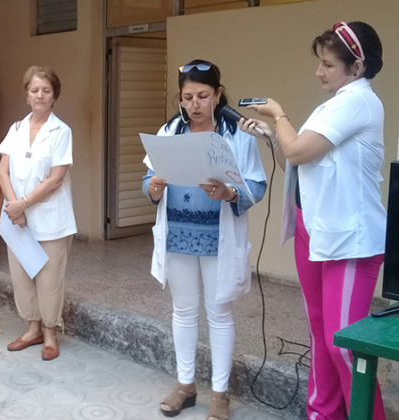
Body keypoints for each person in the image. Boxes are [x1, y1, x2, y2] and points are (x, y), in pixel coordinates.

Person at [239, 21, 386, 419]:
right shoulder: (334, 102)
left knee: (345, 343)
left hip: (349, 241)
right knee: (320, 336)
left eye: (328, 65)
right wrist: (272, 135)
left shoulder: (357, 101)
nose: (319, 72)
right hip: (316, 231)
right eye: (319, 63)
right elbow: (300, 166)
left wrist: (279, 113)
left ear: (357, 67)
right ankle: (323, 412)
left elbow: (300, 151)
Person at [143, 59, 266, 419]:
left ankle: (220, 393)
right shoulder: (168, 133)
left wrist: (230, 194)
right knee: (183, 311)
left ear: (218, 95)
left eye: (202, 96)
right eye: (187, 97)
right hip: (178, 234)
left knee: (220, 312)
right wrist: (151, 186)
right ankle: (185, 385)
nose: (194, 104)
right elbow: (148, 181)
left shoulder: (238, 135)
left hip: (218, 237)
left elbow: (256, 185)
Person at [0, 65, 76, 362]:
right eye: (34, 90)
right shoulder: (15, 129)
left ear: (54, 96)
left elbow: (56, 178)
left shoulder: (61, 131)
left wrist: (22, 204)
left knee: (49, 277)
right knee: (22, 275)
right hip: (17, 217)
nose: (39, 95)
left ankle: (50, 333)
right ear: (26, 95)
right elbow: (3, 171)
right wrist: (14, 206)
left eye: (45, 90)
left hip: (51, 219)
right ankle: (32, 329)